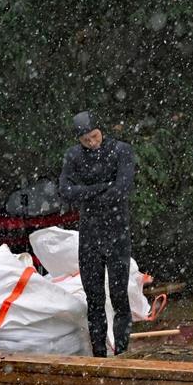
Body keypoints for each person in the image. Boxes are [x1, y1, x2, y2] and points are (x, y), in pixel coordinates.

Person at [57, 111, 136, 357]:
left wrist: (87, 193)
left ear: (101, 130)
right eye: (86, 140)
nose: (92, 142)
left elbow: (122, 188)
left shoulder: (121, 151)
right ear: (78, 140)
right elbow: (65, 190)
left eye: (94, 136)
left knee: (119, 295)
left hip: (117, 232)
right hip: (90, 235)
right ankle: (98, 353)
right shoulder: (74, 156)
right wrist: (102, 188)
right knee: (94, 298)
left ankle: (122, 352)